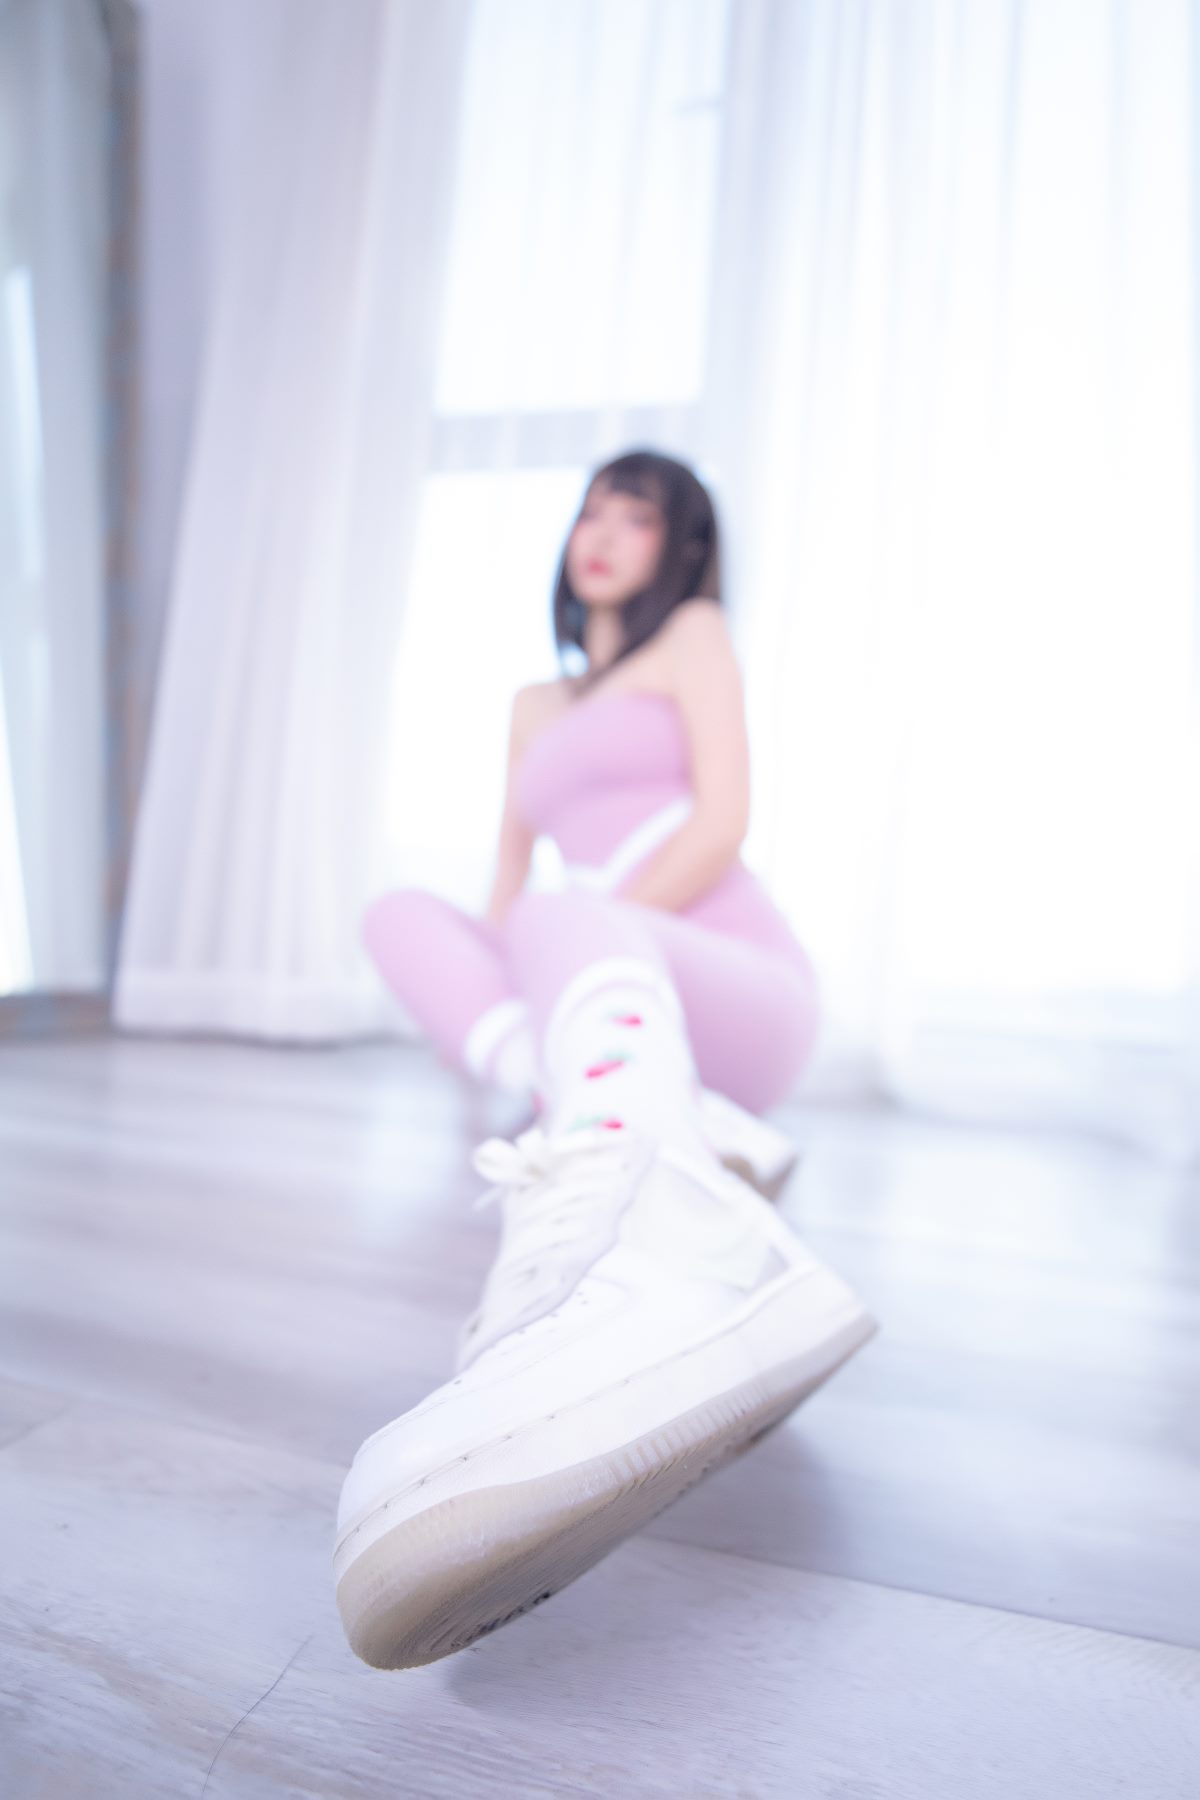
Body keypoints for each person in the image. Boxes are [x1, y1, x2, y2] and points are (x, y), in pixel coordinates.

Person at [333, 449, 877, 1671]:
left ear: (680, 548)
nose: (604, 531)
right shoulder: (534, 702)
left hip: (730, 978)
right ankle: (643, 1136)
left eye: (638, 516)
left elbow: (723, 822)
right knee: (403, 915)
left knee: (557, 918)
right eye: (593, 508)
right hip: (594, 980)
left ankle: (652, 1180)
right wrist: (522, 957)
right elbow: (508, 884)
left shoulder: (692, 636)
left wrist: (581, 932)